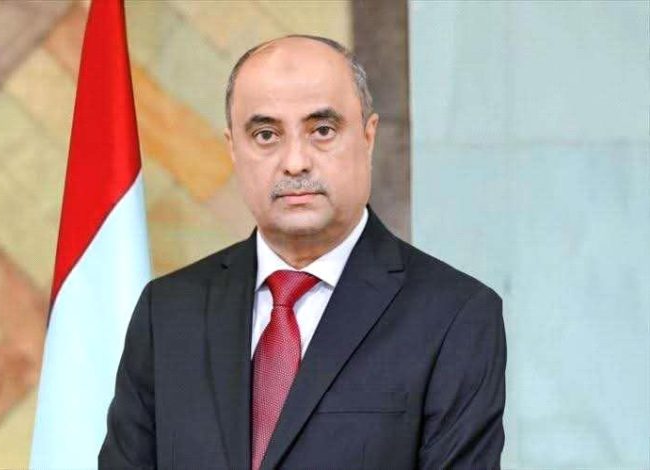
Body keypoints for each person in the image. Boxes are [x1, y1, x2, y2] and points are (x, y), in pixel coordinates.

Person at [99, 35, 506, 469]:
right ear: (233, 148)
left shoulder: (454, 316)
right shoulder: (167, 312)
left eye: (322, 131)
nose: (295, 162)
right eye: (266, 134)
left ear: (368, 137)